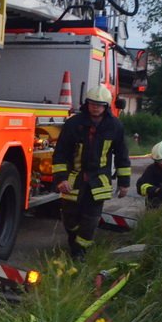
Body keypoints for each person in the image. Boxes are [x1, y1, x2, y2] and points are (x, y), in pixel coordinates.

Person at [52, 85, 131, 260]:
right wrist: (61, 178)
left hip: (98, 182)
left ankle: (80, 251)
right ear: (87, 104)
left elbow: (122, 155)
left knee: (90, 219)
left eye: (99, 104)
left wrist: (124, 183)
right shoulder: (74, 124)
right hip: (74, 180)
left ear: (106, 106)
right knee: (70, 219)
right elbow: (61, 153)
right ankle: (75, 240)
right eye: (92, 103)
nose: (95, 107)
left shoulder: (115, 126)